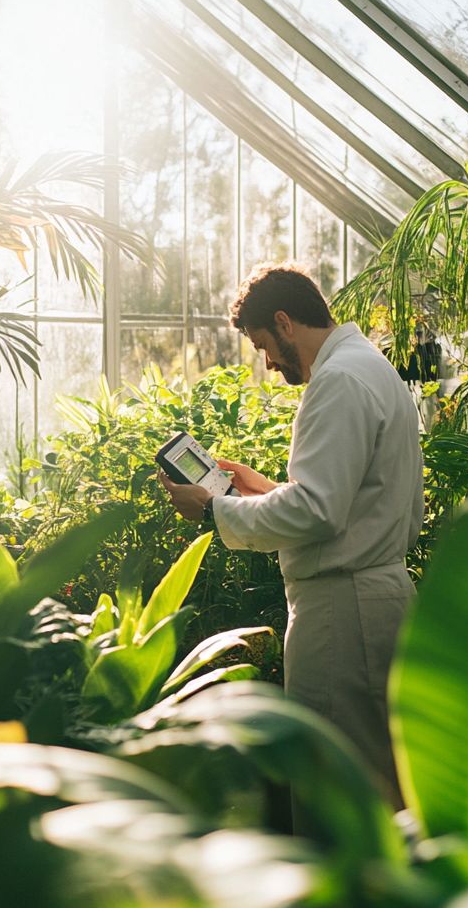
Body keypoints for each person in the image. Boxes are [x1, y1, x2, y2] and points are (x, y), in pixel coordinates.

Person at [159, 263, 423, 806]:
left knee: (338, 793)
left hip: (342, 613)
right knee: (379, 780)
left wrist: (214, 511)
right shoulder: (365, 365)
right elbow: (342, 501)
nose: (270, 363)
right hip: (370, 598)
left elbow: (318, 512)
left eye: (264, 346)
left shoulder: (337, 381)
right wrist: (262, 489)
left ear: (284, 321)